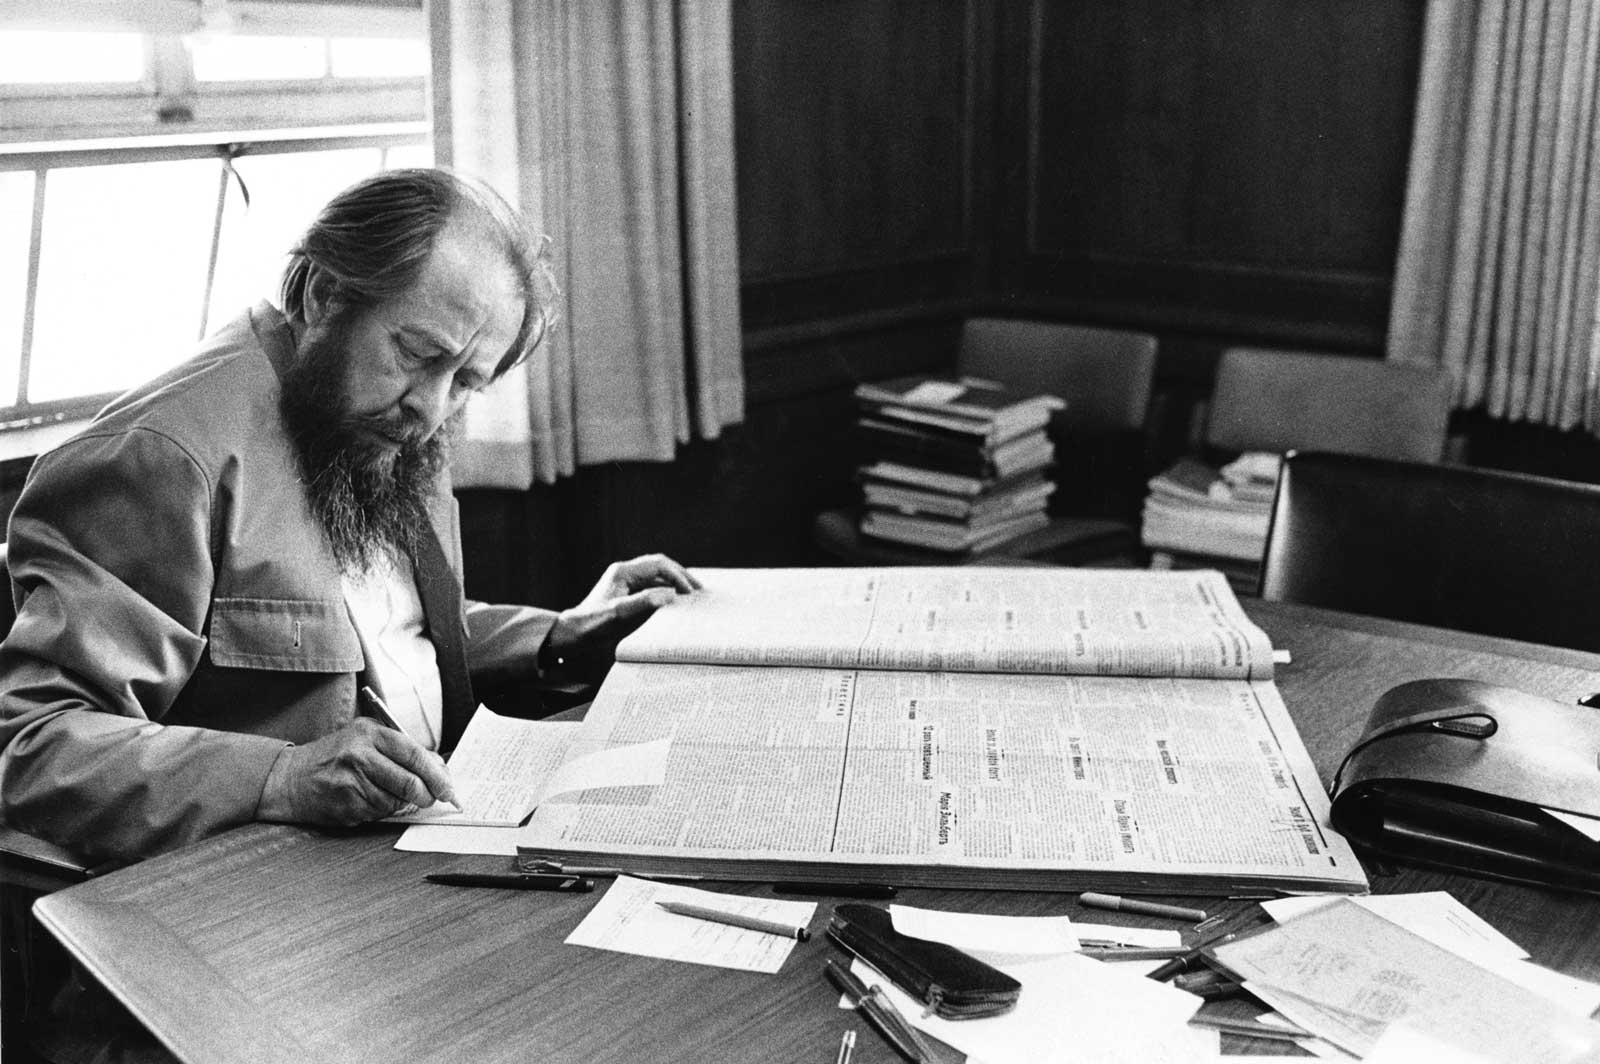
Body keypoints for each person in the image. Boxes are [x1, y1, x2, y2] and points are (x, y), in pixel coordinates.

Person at [0, 168, 698, 865]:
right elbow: (33, 745)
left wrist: (556, 638)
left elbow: (382, 633)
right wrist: (280, 776)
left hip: (433, 840)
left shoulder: (385, 417)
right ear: (322, 295)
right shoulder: (163, 460)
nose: (433, 408)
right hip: (262, 894)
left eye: (466, 384)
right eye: (419, 356)